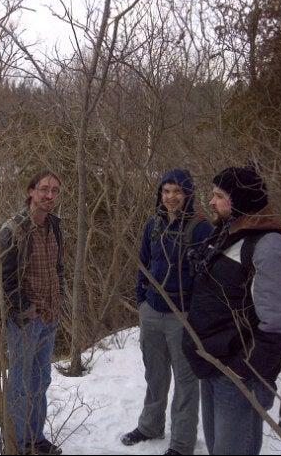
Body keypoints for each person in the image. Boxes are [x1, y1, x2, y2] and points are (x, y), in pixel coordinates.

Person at [182, 166, 281, 455]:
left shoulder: (269, 245)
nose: (211, 202)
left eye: (219, 196)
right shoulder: (228, 234)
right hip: (214, 364)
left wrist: (244, 369)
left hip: (239, 375)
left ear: (241, 201)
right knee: (218, 448)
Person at [122, 168, 212, 456]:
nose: (171, 197)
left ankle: (182, 443)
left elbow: (206, 279)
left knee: (186, 381)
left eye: (177, 191)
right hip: (152, 311)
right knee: (155, 374)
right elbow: (143, 264)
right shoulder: (154, 224)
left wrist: (195, 316)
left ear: (188, 195)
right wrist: (142, 300)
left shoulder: (200, 228)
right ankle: (150, 426)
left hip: (181, 316)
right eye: (166, 191)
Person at [0, 170, 66, 455]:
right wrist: (26, 310)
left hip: (49, 317)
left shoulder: (54, 225)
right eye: (43, 189)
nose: (49, 196)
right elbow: (6, 279)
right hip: (25, 322)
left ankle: (36, 438)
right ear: (30, 191)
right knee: (20, 385)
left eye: (54, 190)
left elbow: (57, 267)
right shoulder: (14, 229)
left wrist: (57, 301)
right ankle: (19, 444)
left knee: (42, 381)